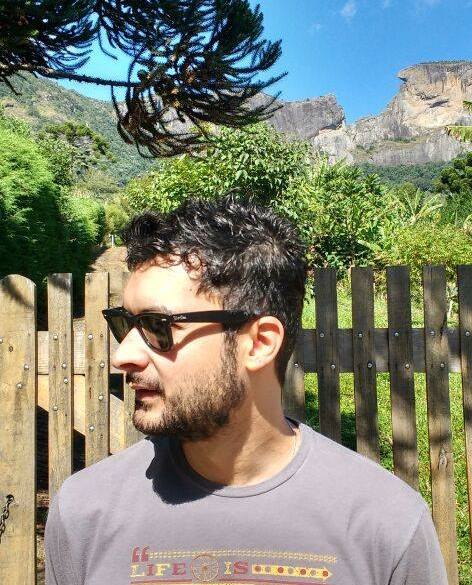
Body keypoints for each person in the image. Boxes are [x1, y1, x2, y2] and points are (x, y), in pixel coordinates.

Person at [44, 193, 448, 585]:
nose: (123, 356)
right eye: (125, 324)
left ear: (259, 343)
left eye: (156, 327)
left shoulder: (386, 524)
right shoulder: (84, 513)